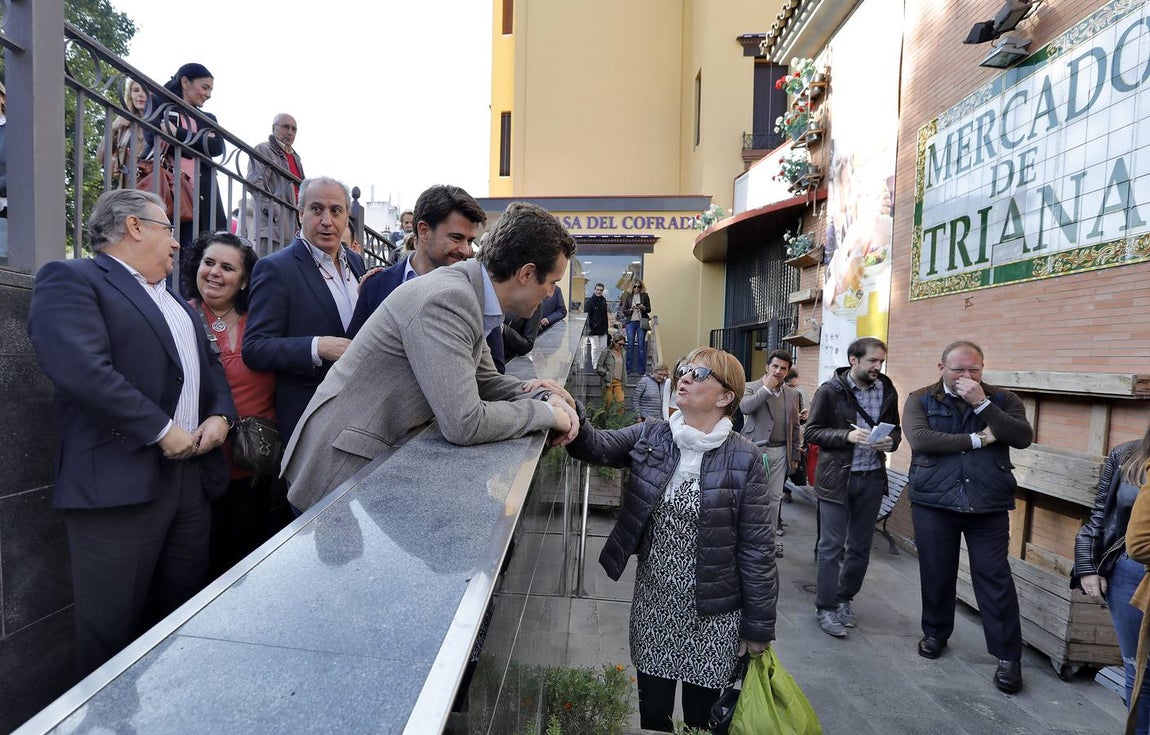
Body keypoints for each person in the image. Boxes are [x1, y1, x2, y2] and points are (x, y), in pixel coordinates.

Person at [27, 189, 236, 676]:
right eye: (168, 228)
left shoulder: (179, 303)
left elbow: (211, 368)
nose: (177, 243)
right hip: (117, 489)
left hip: (190, 484)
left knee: (182, 623)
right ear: (136, 227)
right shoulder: (73, 278)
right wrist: (163, 430)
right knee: (110, 638)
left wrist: (222, 417)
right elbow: (80, 369)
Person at [282, 201, 580, 510]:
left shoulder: (467, 291)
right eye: (552, 283)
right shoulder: (449, 299)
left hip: (362, 465)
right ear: (527, 273)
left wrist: (541, 396)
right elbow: (465, 423)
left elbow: (485, 380)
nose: (550, 294)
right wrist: (546, 415)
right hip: (337, 468)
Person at [566, 347, 776, 732]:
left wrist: (758, 627)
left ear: (726, 397)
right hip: (655, 605)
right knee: (654, 719)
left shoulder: (745, 459)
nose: (684, 377)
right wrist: (568, 408)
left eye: (699, 374)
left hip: (715, 616)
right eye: (684, 370)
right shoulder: (653, 435)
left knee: (701, 721)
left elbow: (757, 549)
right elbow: (594, 445)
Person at [904, 340, 1033, 693]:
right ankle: (935, 633)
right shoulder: (921, 398)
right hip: (934, 501)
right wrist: (978, 439)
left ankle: (1008, 656)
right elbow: (922, 439)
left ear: (982, 369)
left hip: (988, 503)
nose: (966, 376)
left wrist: (982, 403)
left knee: (994, 577)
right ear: (941, 367)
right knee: (936, 572)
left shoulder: (1004, 400)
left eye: (973, 369)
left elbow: (1021, 437)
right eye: (958, 369)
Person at [181, 232, 290, 577]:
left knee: (247, 564)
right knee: (200, 567)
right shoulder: (179, 317)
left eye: (227, 267)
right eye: (208, 263)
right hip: (197, 466)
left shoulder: (262, 324)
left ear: (245, 281)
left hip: (254, 468)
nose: (214, 273)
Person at [242, 176, 366, 444]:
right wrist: (317, 347)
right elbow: (255, 348)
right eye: (316, 209)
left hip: (357, 413)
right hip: (308, 417)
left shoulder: (356, 262)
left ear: (346, 217)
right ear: (300, 215)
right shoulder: (276, 268)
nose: (326, 220)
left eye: (336, 211)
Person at [805, 337, 901, 638]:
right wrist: (845, 437)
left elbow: (895, 430)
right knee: (831, 546)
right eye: (872, 361)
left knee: (860, 547)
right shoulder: (830, 391)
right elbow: (812, 431)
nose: (878, 366)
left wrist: (891, 442)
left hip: (871, 478)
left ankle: (845, 599)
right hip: (837, 478)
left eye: (881, 361)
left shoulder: (887, 388)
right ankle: (826, 607)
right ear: (853, 359)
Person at [1073, 424, 1150, 733]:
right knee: (1139, 672)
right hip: (1128, 572)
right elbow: (1100, 515)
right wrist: (1086, 565)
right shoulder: (1127, 454)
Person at [346, 184, 485, 338]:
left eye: (470, 241)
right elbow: (353, 353)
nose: (466, 250)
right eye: (456, 238)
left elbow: (492, 361)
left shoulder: (476, 291)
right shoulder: (375, 286)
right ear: (424, 231)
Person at [145, 62, 227, 271]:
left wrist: (178, 134)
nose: (208, 95)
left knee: (200, 253)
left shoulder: (208, 118)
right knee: (170, 252)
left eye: (211, 89)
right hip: (170, 192)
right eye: (205, 87)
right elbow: (151, 135)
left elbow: (216, 147)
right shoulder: (159, 102)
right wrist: (198, 142)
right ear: (185, 82)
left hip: (202, 195)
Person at [740, 349, 803, 558]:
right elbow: (745, 408)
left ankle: (768, 542)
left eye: (783, 368)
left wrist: (794, 455)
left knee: (774, 498)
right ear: (767, 367)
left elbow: (794, 427)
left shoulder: (793, 394)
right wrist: (766, 388)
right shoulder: (751, 387)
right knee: (751, 498)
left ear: (787, 372)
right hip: (756, 451)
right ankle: (747, 541)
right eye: (775, 366)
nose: (778, 371)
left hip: (781, 452)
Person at [245, 113, 305, 253]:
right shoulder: (264, 149)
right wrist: (276, 212)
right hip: (272, 227)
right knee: (270, 270)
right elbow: (254, 182)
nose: (290, 132)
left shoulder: (295, 158)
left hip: (293, 227)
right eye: (285, 127)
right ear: (274, 128)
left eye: (293, 129)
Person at [96, 77, 149, 189]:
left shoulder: (158, 124)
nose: (140, 94)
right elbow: (101, 157)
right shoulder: (124, 123)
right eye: (135, 90)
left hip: (149, 185)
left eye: (144, 90)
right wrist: (113, 128)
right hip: (126, 187)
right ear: (130, 95)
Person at [624, 279, 652, 374]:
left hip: (641, 322)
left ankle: (641, 370)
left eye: (638, 287)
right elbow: (624, 311)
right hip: (631, 322)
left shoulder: (645, 295)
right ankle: (628, 369)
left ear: (641, 287)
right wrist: (631, 309)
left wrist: (643, 308)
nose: (636, 288)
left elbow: (649, 309)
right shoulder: (628, 296)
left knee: (641, 346)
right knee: (630, 346)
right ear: (632, 287)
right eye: (635, 286)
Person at [596, 334, 627, 413]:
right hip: (608, 381)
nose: (621, 346)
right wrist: (606, 373)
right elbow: (598, 367)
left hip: (619, 382)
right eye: (620, 344)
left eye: (623, 344)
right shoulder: (606, 352)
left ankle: (619, 422)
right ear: (614, 343)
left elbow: (624, 367)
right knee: (608, 404)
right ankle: (607, 421)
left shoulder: (623, 352)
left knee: (621, 404)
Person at [584, 282, 610, 365]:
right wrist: (589, 328)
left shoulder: (603, 300)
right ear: (594, 290)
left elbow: (605, 316)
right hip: (593, 329)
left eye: (601, 290)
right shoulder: (589, 301)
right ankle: (595, 366)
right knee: (595, 348)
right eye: (598, 290)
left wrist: (606, 329)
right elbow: (586, 316)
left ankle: (601, 364)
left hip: (603, 329)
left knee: (603, 348)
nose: (599, 291)